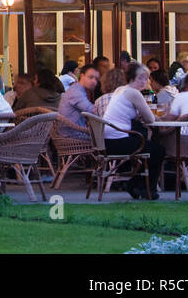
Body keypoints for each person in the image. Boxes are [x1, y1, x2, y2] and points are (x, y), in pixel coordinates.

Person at [101, 63, 163, 199]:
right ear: (131, 77)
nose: (144, 81)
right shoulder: (133, 93)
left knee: (152, 149)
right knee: (158, 150)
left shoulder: (121, 90)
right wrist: (161, 117)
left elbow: (132, 115)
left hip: (106, 141)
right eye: (141, 78)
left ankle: (138, 185)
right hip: (118, 141)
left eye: (147, 78)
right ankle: (145, 188)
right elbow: (150, 119)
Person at [58, 63, 99, 139]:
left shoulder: (77, 89)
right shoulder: (76, 92)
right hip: (73, 137)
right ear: (82, 76)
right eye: (90, 77)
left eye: (96, 79)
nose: (94, 81)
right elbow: (92, 111)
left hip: (69, 133)